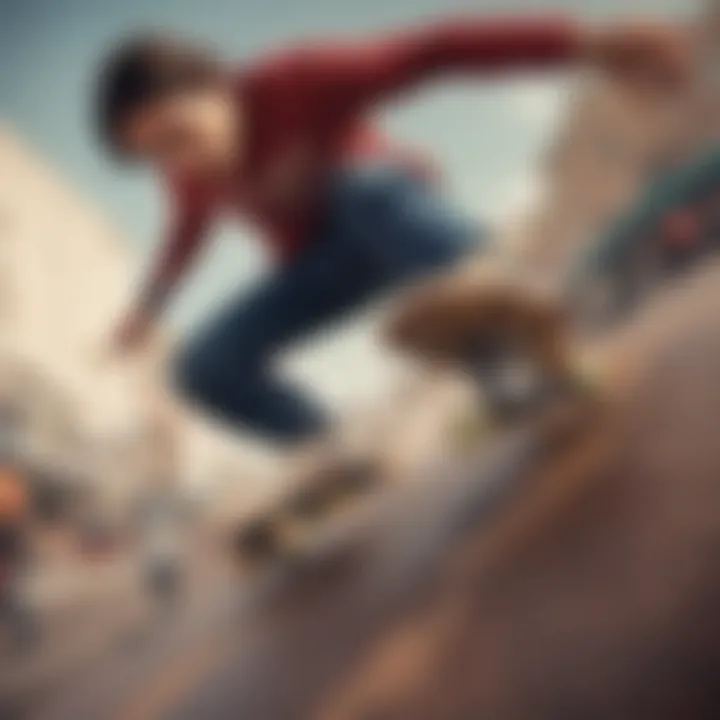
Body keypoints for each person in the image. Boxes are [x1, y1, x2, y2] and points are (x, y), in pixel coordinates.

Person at [97, 15, 686, 457]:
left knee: (355, 188)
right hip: (318, 268)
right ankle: (330, 448)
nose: (177, 163)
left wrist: (589, 46)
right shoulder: (186, 184)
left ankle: (503, 334)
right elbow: (181, 244)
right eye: (152, 155)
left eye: (178, 134)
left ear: (217, 87)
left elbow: (432, 53)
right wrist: (144, 313)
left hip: (394, 221)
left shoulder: (294, 81)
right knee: (200, 367)